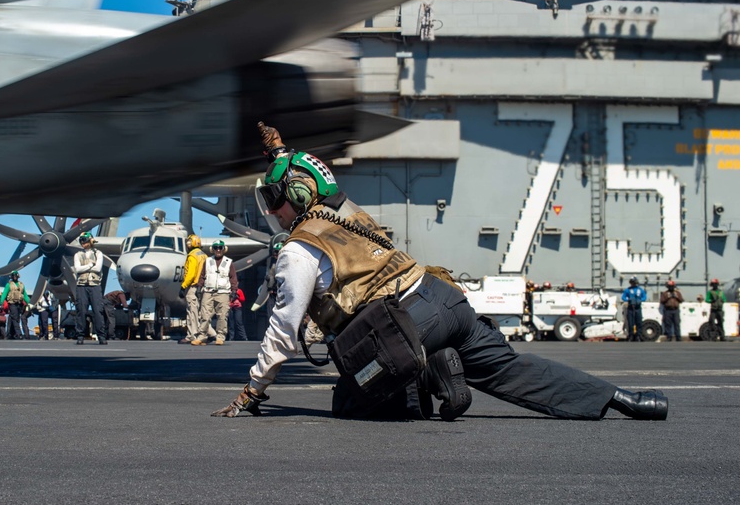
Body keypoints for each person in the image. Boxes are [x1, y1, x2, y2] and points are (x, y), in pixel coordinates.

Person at [211, 122, 668, 422]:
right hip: (446, 301)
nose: (272, 208)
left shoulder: (298, 249)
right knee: (509, 369)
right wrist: (281, 150)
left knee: (352, 397)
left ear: (291, 195)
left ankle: (431, 373)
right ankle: (623, 400)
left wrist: (254, 389)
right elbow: (321, 195)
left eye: (274, 198)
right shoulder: (349, 214)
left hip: (406, 328)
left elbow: (285, 327)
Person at [192, 240, 237, 346]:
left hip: (223, 292)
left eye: (220, 248)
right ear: (212, 249)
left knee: (222, 316)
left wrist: (234, 290)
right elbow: (203, 275)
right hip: (208, 291)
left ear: (223, 249)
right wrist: (199, 286)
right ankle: (201, 336)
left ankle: (220, 336)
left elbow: (233, 278)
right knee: (205, 315)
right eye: (216, 247)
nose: (218, 250)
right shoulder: (207, 261)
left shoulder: (228, 262)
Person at [73, 232, 106, 345]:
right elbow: (77, 269)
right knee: (81, 311)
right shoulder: (77, 254)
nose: (83, 243)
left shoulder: (99, 254)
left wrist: (85, 267)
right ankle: (80, 335)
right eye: (81, 240)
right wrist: (90, 265)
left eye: (85, 240)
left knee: (98, 311)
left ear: (91, 241)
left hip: (95, 285)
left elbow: (98, 268)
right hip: (81, 285)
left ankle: (101, 336)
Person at [178, 234, 207, 344]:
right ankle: (207, 333)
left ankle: (192, 336)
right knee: (201, 313)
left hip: (193, 287)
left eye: (188, 243)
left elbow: (190, 274)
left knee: (192, 312)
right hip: (203, 287)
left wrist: (183, 286)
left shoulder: (192, 256)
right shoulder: (204, 255)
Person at [0, 271, 30, 339]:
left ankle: (10, 334)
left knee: (14, 318)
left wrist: (29, 303)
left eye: (16, 276)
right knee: (15, 319)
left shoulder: (21, 285)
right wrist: (1, 303)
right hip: (12, 304)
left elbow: (25, 295)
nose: (15, 277)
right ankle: (19, 333)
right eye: (13, 276)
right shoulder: (9, 285)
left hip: (20, 304)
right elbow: (4, 294)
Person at [621, 277, 647, 342]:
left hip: (638, 308)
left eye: (634, 282)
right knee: (630, 322)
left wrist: (640, 300)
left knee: (639, 322)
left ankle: (638, 336)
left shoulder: (640, 290)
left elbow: (644, 297)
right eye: (632, 282)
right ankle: (631, 335)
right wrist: (628, 300)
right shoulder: (628, 290)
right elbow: (623, 297)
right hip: (630, 308)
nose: (633, 284)